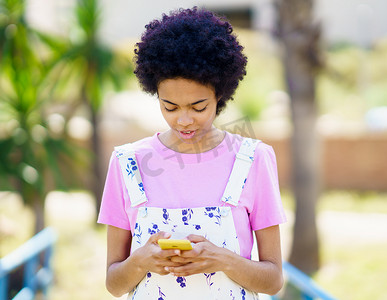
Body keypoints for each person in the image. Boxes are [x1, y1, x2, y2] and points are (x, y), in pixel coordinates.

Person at [98, 7, 287, 300]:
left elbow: (273, 280)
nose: (183, 120)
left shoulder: (252, 159)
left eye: (198, 107)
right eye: (169, 107)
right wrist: (141, 261)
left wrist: (222, 259)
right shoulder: (128, 163)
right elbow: (114, 284)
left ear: (220, 94)